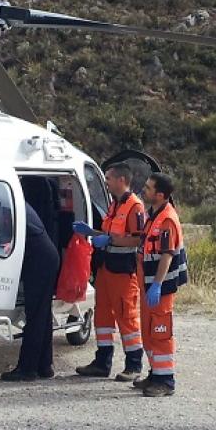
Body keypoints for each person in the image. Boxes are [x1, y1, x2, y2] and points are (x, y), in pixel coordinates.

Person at [71, 164, 147, 381]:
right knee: (103, 316)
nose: (106, 182)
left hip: (123, 270)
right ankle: (102, 362)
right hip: (106, 268)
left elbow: (137, 238)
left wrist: (110, 239)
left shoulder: (135, 207)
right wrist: (91, 232)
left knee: (127, 317)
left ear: (122, 179)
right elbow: (108, 233)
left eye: (109, 179)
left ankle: (134, 365)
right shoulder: (116, 205)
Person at [135, 172, 187, 397]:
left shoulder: (167, 220)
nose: (143, 190)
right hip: (149, 285)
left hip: (161, 287)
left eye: (148, 188)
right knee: (149, 331)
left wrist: (157, 284)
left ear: (160, 194)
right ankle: (155, 374)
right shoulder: (153, 215)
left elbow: (166, 256)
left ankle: (166, 381)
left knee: (160, 331)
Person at [1, 202, 61, 381]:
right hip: (47, 257)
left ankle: (27, 368)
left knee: (35, 315)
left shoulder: (10, 206)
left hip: (40, 261)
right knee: (43, 314)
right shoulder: (17, 203)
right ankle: (44, 365)